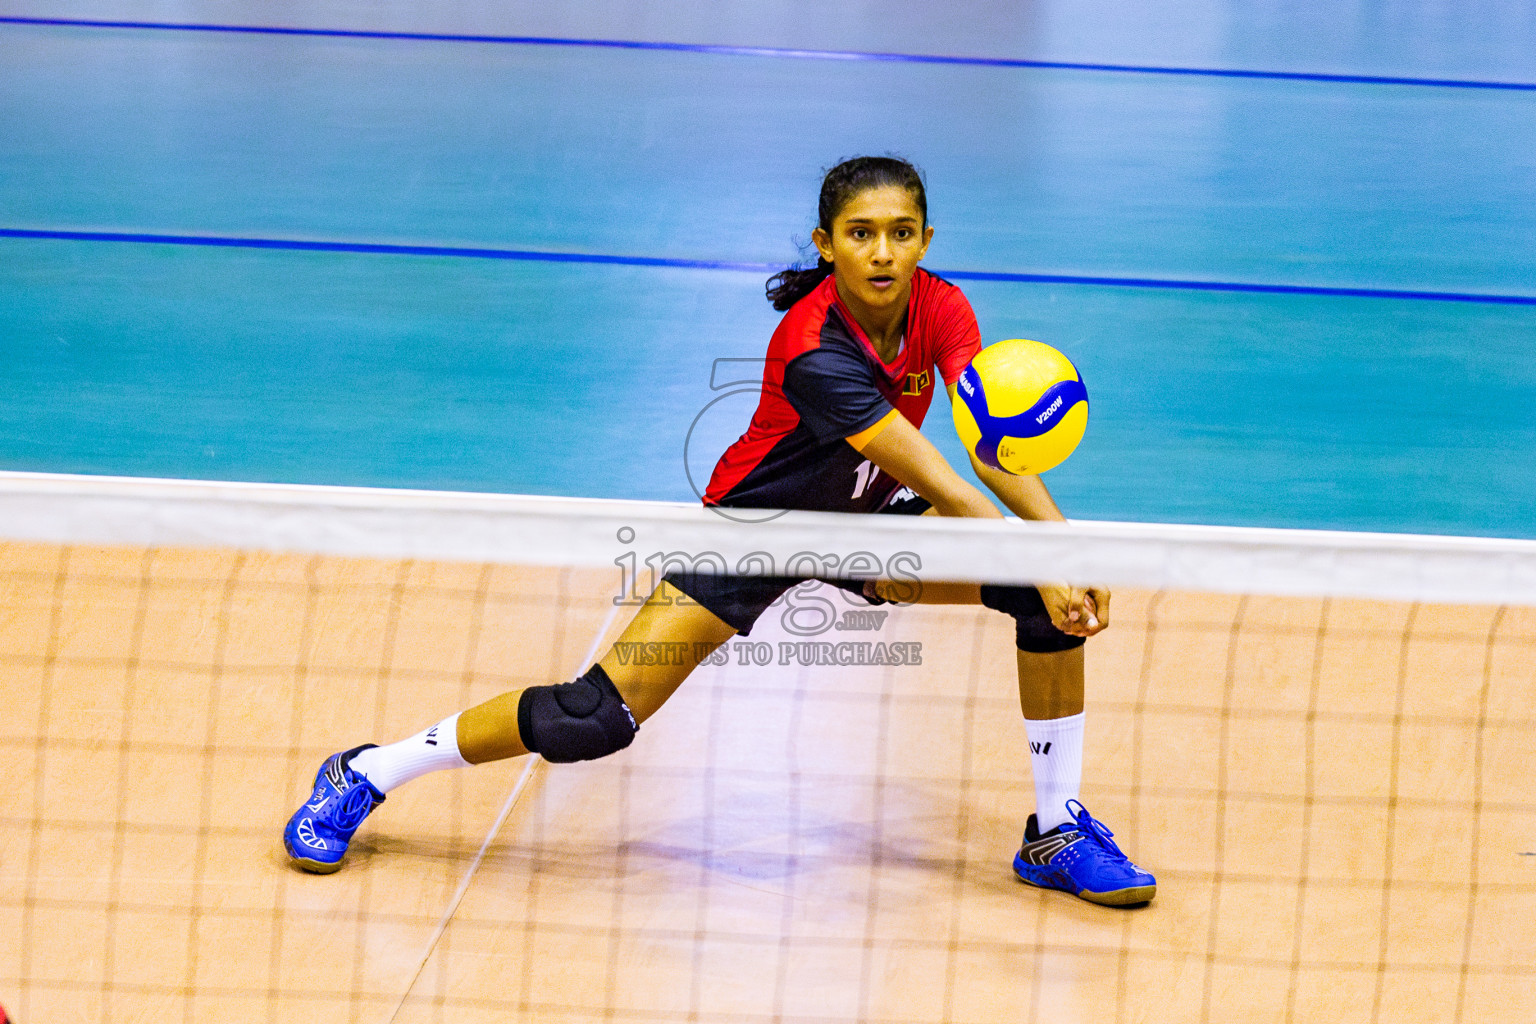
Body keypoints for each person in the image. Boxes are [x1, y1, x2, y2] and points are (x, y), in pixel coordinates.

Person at [283, 156, 1155, 907]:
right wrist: (1046, 558)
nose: (883, 251)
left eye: (901, 232)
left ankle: (1053, 831)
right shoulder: (813, 350)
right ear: (826, 245)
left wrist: (1058, 553)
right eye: (860, 233)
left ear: (926, 239)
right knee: (594, 719)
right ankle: (366, 771)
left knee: (1044, 606)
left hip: (869, 523)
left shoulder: (944, 309)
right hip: (757, 534)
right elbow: (947, 484)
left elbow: (990, 444)